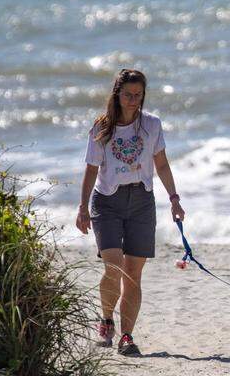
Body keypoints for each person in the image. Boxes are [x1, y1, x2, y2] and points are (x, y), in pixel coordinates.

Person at [76, 69, 185, 356]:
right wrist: (82, 207)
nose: (133, 101)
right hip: (107, 202)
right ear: (117, 94)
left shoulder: (151, 125)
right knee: (114, 267)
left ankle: (127, 336)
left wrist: (174, 199)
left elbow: (161, 164)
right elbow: (90, 169)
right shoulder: (102, 127)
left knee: (133, 274)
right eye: (128, 95)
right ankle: (106, 319)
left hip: (141, 201)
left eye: (138, 95)